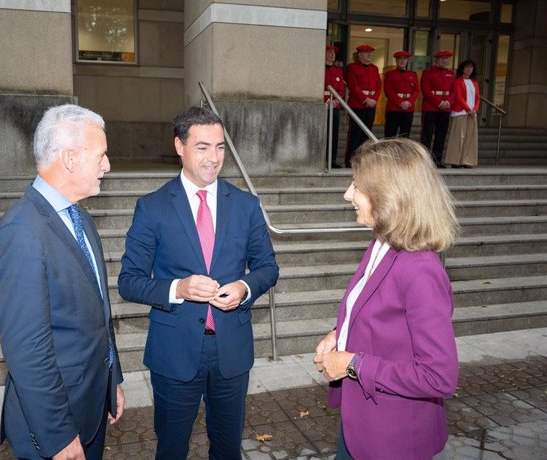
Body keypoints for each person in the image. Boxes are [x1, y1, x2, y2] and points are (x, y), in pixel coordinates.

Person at [118, 106, 279, 460]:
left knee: (227, 448)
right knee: (172, 448)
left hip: (232, 352)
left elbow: (268, 267)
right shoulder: (153, 207)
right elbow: (128, 282)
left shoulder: (246, 205)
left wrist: (244, 288)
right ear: (180, 146)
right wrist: (179, 289)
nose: (214, 158)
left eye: (220, 147)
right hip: (174, 353)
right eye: (203, 147)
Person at [0, 104, 125, 460]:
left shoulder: (80, 218)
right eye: (101, 154)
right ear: (70, 159)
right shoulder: (22, 232)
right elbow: (27, 350)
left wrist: (113, 380)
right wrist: (58, 436)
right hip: (55, 428)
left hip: (91, 404)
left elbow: (98, 315)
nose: (107, 165)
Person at [313, 138, 459, 460]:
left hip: (392, 440)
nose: (347, 194)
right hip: (361, 424)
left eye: (357, 186)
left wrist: (353, 364)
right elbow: (378, 315)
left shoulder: (420, 270)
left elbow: (439, 377)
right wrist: (339, 335)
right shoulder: (382, 244)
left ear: (390, 195)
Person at [345, 44, 382, 168]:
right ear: (360, 55)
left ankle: (364, 161)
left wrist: (374, 99)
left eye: (370, 53)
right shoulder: (352, 67)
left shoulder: (374, 68)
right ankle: (350, 160)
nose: (369, 55)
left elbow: (378, 86)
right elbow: (353, 86)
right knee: (355, 133)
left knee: (367, 134)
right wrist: (365, 99)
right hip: (358, 104)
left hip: (371, 105)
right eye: (366, 53)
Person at [420, 50, 455, 167]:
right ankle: (424, 160)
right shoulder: (427, 73)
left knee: (441, 135)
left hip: (445, 109)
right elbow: (426, 90)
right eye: (443, 59)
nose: (445, 61)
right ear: (437, 60)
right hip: (431, 107)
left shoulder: (451, 74)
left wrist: (448, 102)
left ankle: (437, 159)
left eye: (447, 59)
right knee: (427, 134)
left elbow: (453, 91)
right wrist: (439, 102)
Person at [445, 59, 480, 168]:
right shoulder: (457, 81)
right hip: (460, 112)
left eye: (471, 67)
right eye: (467, 67)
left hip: (472, 113)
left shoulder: (474, 82)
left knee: (470, 138)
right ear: (462, 69)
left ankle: (467, 161)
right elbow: (458, 97)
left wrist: (474, 109)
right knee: (458, 137)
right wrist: (467, 109)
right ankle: (455, 161)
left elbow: (477, 98)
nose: (469, 69)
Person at [383, 50, 419, 138]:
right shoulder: (390, 74)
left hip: (408, 108)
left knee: (405, 135)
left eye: (405, 59)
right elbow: (389, 91)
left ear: (407, 61)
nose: (402, 61)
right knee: (390, 135)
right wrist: (400, 103)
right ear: (396, 61)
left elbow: (416, 91)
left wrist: (409, 102)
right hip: (394, 108)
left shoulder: (413, 74)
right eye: (400, 59)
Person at [325, 44, 346, 168]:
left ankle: (332, 160)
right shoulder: (319, 69)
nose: (332, 54)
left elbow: (341, 90)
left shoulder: (338, 71)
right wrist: (327, 101)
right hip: (323, 105)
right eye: (329, 52)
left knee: (334, 134)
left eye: (334, 52)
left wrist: (336, 101)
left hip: (335, 106)